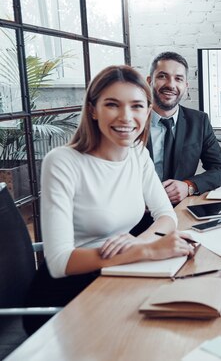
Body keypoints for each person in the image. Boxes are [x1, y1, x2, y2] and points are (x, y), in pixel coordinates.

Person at [26, 65, 196, 333]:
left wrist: (139, 243)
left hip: (120, 275)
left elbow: (166, 214)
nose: (126, 117)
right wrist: (146, 250)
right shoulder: (62, 162)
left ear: (148, 110)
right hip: (69, 296)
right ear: (93, 109)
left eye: (137, 106)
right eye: (112, 105)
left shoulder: (138, 154)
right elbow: (59, 263)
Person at [147, 52, 221, 203]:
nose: (171, 85)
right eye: (162, 76)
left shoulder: (199, 121)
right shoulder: (132, 121)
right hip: (137, 212)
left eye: (178, 79)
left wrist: (188, 186)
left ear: (185, 86)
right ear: (149, 81)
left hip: (181, 209)